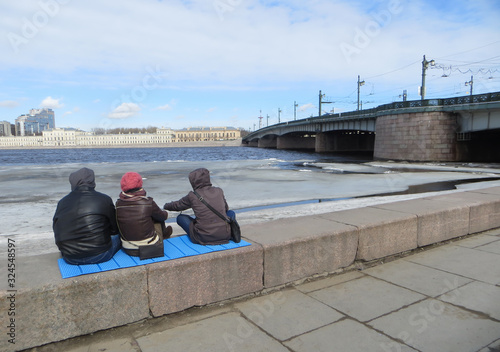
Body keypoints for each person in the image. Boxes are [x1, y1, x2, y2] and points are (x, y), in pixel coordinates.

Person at [53, 167, 121, 265]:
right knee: (121, 237)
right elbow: (114, 229)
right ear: (92, 181)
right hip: (100, 255)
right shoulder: (104, 199)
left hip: (70, 257)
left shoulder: (62, 202)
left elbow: (57, 229)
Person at [163, 168, 236, 245]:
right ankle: (225, 231)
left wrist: (165, 206)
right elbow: (226, 209)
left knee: (180, 218)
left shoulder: (193, 196)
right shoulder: (219, 191)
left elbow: (177, 206)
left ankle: (202, 230)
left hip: (203, 237)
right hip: (225, 234)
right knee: (231, 213)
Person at [116, 172, 172, 257]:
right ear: (140, 184)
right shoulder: (148, 202)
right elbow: (163, 217)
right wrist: (166, 212)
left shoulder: (118, 204)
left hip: (128, 248)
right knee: (157, 218)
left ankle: (164, 233)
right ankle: (164, 234)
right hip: (149, 247)